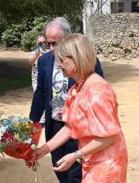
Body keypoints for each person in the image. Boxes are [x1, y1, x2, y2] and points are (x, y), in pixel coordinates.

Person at [32, 33, 128, 183]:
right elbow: (70, 128)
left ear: (76, 60)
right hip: (92, 160)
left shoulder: (98, 92)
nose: (59, 64)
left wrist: (76, 155)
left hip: (106, 164)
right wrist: (44, 149)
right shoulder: (76, 89)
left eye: (62, 60)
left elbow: (109, 137)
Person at [29, 17, 104, 183]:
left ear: (68, 40)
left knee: (75, 175)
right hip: (55, 126)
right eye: (47, 44)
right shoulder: (43, 61)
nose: (51, 48)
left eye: (55, 43)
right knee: (60, 170)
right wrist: (32, 124)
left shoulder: (90, 63)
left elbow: (96, 97)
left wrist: (76, 111)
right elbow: (40, 94)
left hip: (80, 127)